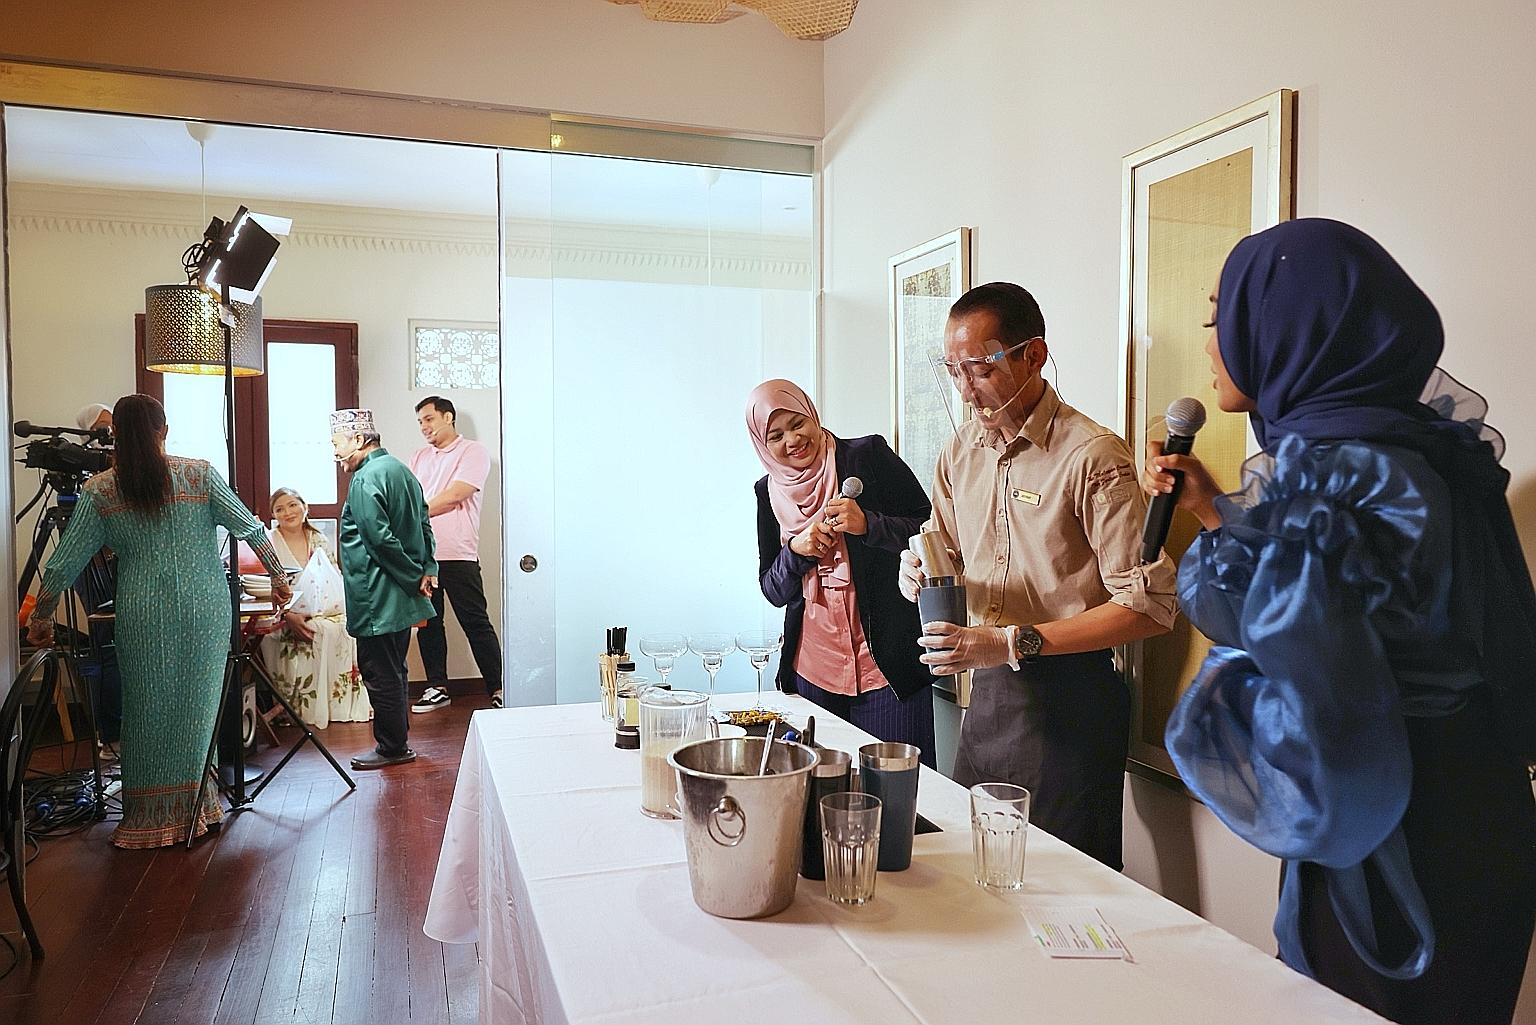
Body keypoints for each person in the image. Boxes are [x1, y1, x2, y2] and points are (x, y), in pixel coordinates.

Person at [1142, 218, 1536, 1025]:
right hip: (1464, 804)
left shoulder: (1343, 471)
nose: (1212, 338)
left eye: (1225, 314)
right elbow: (1363, 616)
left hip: (1394, 823)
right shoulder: (1417, 448)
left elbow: (1304, 661)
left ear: (1293, 330)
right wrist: (1220, 512)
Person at [897, 282, 1177, 870]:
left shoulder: (1093, 456)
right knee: (970, 874)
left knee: (1064, 891)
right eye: (954, 371)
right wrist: (917, 565)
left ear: (1033, 355)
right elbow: (941, 543)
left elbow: (1149, 608)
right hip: (991, 694)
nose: (967, 390)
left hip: (1073, 698)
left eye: (980, 368)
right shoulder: (960, 452)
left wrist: (1011, 640)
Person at [25, 394, 290, 848]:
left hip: (142, 611)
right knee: (195, 710)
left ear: (116, 436)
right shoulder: (199, 474)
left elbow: (65, 562)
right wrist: (278, 577)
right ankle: (197, 809)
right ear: (163, 430)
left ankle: (149, 819)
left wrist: (42, 617)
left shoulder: (102, 490)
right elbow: (248, 526)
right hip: (204, 609)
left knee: (145, 712)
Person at [748, 380, 937, 762]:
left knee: (904, 799)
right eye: (776, 435)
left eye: (798, 423)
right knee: (819, 801)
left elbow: (930, 527)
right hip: (813, 675)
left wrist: (868, 523)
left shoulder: (867, 455)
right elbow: (772, 589)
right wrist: (796, 551)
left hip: (888, 671)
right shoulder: (767, 492)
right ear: (761, 444)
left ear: (813, 414)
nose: (793, 440)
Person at [332, 408, 438, 770]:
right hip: (401, 596)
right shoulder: (402, 471)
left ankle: (392, 748)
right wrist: (426, 569)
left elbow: (379, 540)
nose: (335, 453)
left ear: (359, 440)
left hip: (377, 595)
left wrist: (412, 574)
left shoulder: (365, 478)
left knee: (379, 672)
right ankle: (399, 741)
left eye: (338, 443)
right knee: (396, 669)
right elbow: (425, 524)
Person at [407, 396, 502, 712]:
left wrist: (416, 512)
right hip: (423, 556)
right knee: (429, 624)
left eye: (429, 418)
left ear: (448, 417)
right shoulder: (418, 457)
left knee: (475, 622)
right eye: (420, 421)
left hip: (459, 554)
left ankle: (499, 688)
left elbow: (457, 494)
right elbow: (407, 498)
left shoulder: (473, 451)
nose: (424, 427)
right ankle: (437, 687)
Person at [259, 486, 369, 728]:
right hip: (282, 611)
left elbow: (333, 575)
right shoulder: (269, 542)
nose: (287, 512)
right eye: (279, 509)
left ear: (304, 508)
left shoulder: (318, 538)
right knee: (314, 631)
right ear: (273, 516)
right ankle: (294, 708)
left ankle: (334, 705)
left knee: (342, 628)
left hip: (320, 607)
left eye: (292, 505)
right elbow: (262, 585)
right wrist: (288, 613)